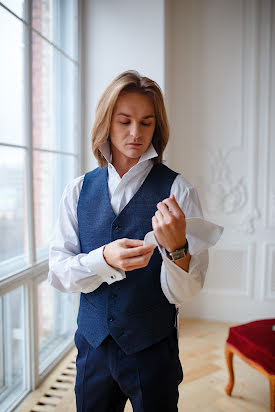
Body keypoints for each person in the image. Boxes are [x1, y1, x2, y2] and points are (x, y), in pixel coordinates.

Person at [48, 70, 223, 412]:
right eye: (124, 121)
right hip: (93, 348)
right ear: (106, 123)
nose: (135, 133)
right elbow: (58, 272)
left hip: (153, 349)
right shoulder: (77, 190)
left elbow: (186, 292)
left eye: (146, 123)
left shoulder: (178, 191)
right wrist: (103, 259)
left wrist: (176, 250)